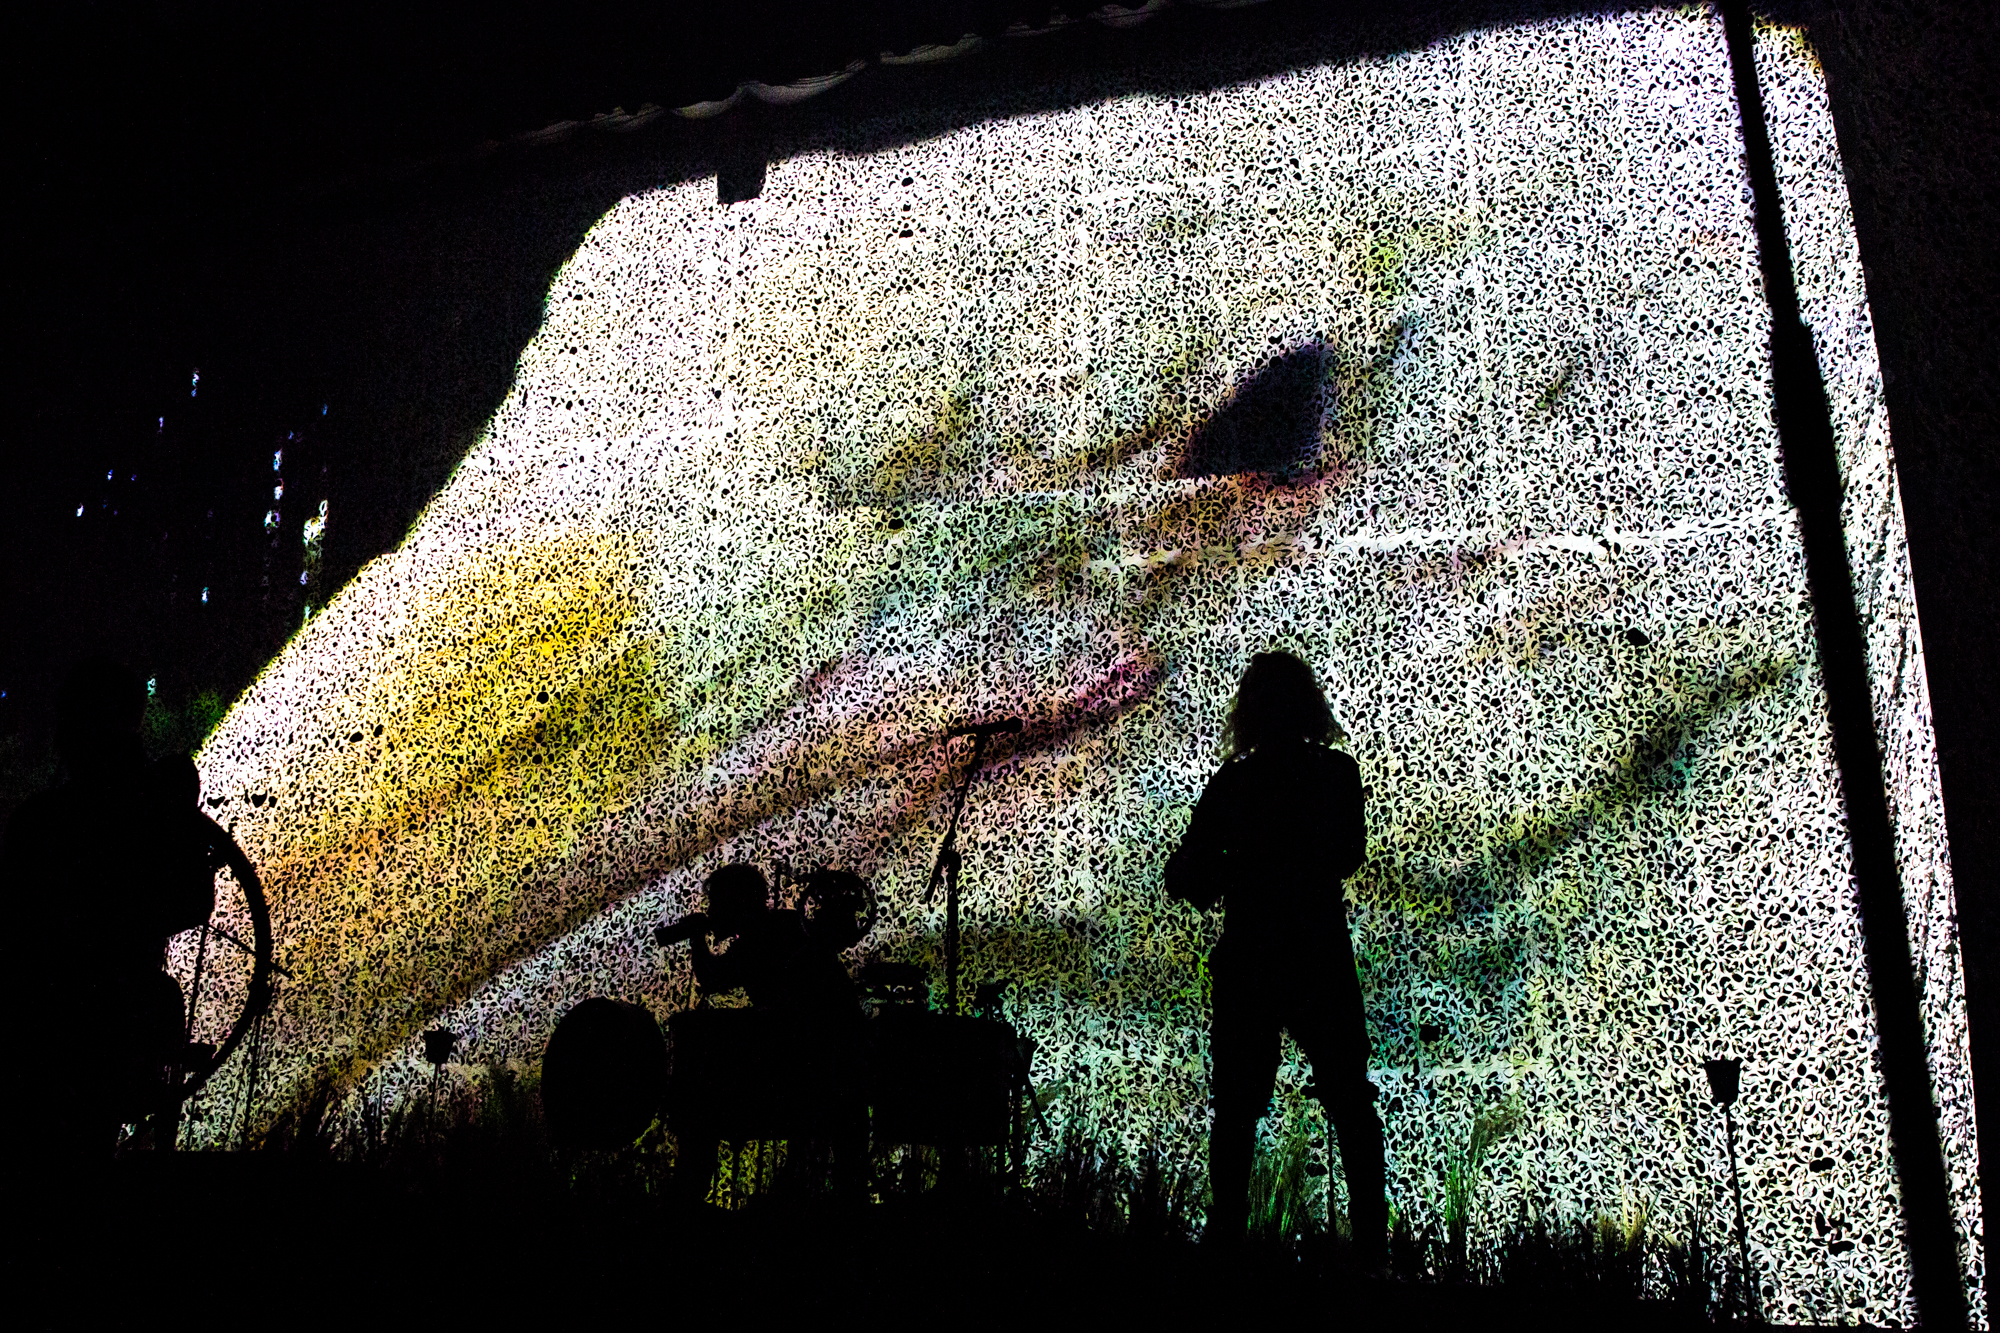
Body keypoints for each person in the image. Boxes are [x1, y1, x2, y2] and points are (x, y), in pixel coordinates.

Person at [1165, 650, 1387, 1268]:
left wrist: (1232, 868)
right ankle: (1373, 1252)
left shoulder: (1234, 783)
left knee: (1238, 1110)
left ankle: (1227, 1247)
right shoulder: (1336, 774)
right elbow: (1345, 856)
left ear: (1251, 713)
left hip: (1253, 956)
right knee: (1349, 1101)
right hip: (1318, 952)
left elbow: (1185, 875)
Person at [1, 660, 217, 1159]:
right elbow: (192, 903)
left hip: (54, 1028)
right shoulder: (156, 805)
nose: (59, 739)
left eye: (67, 723)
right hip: (117, 1022)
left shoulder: (41, 822)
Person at [658, 864, 867, 1201]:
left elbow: (713, 979)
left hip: (818, 1065)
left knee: (701, 1102)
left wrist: (697, 938)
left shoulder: (766, 935)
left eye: (716, 903)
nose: (711, 912)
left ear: (735, 903)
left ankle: (688, 1198)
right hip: (833, 1064)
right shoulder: (777, 927)